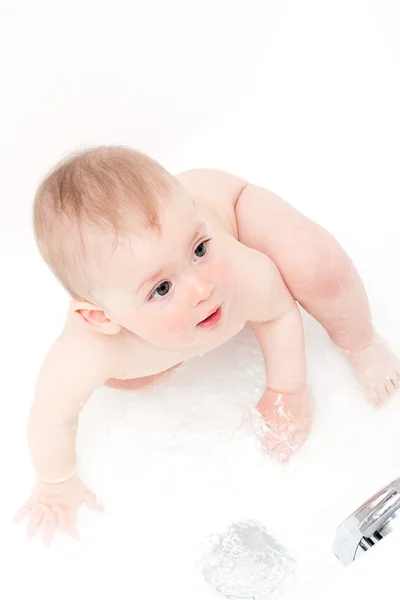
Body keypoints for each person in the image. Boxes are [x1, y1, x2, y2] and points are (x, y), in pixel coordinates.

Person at [14, 146, 400, 545]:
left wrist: (287, 388)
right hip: (147, 290)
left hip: (230, 205)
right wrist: (55, 480)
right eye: (161, 289)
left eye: (199, 250)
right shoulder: (87, 350)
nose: (203, 288)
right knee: (125, 381)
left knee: (316, 267)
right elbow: (51, 417)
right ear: (101, 318)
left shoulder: (236, 271)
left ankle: (363, 344)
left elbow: (279, 312)